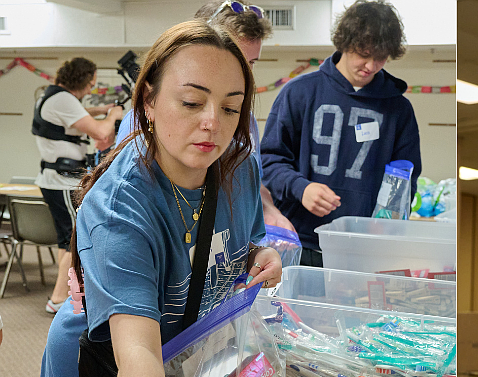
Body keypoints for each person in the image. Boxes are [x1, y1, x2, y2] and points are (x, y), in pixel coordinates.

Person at [37, 21, 282, 377]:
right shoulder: (121, 205)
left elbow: (241, 243)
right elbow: (136, 357)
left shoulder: (240, 165)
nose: (211, 124)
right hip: (103, 375)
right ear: (146, 100)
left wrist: (260, 256)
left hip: (185, 369)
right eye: (192, 101)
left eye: (231, 106)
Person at [260, 0, 421, 267]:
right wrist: (302, 188)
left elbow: (407, 177)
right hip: (300, 242)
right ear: (345, 43)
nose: (370, 66)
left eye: (380, 58)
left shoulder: (398, 109)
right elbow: (269, 161)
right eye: (363, 53)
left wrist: (390, 220)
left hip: (362, 249)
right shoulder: (299, 93)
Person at [114, 0, 295, 232]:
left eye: (250, 63)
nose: (243, 74)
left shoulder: (244, 119)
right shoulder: (146, 119)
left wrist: (267, 216)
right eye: (191, 104)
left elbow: (248, 182)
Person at [33, 57, 123, 314]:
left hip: (54, 179)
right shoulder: (63, 100)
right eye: (92, 81)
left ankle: (60, 295)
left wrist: (101, 108)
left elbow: (77, 114)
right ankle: (59, 298)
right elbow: (102, 134)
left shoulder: (51, 95)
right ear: (85, 79)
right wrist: (113, 114)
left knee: (66, 239)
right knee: (74, 238)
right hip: (62, 181)